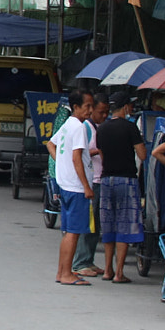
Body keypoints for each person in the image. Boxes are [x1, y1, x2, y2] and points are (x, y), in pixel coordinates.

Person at [94, 93, 148, 283]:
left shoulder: (102, 128)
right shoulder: (131, 127)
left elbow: (101, 154)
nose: (132, 110)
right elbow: (142, 155)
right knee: (124, 226)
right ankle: (118, 273)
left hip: (107, 180)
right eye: (130, 107)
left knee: (109, 225)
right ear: (125, 107)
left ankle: (107, 270)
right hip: (126, 180)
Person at [52, 92, 98, 286]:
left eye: (91, 106)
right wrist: (86, 186)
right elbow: (76, 157)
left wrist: (61, 166)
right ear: (76, 106)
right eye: (86, 106)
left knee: (68, 231)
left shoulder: (67, 125)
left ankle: (62, 271)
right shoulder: (78, 127)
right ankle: (66, 273)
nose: (90, 110)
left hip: (66, 185)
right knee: (74, 232)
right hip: (77, 187)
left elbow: (50, 144)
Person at [70, 97, 110, 278]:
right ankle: (80, 263)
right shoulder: (84, 128)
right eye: (101, 112)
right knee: (88, 223)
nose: (104, 115)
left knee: (96, 225)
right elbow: (78, 152)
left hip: (100, 179)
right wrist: (98, 151)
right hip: (91, 180)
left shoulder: (99, 127)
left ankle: (88, 260)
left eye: (106, 112)